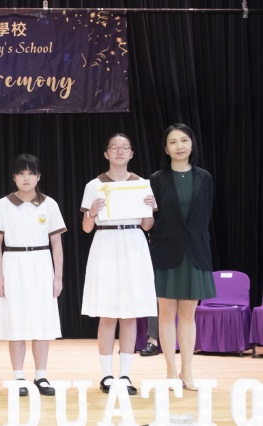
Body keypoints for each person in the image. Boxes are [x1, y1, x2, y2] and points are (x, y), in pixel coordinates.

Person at [80, 133, 157, 395]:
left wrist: (150, 207)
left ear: (132, 153)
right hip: (106, 242)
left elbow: (147, 225)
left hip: (133, 243)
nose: (120, 151)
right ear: (106, 153)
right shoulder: (94, 185)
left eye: (125, 147)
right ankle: (106, 375)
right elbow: (86, 228)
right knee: (107, 313)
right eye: (114, 147)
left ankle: (125, 375)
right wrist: (92, 212)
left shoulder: (142, 184)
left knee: (129, 313)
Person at [0, 153, 65, 397]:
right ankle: (18, 377)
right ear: (14, 177)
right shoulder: (2, 205)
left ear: (38, 176)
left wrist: (58, 276)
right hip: (13, 263)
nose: (26, 178)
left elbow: (56, 243)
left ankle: (41, 376)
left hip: (41, 263)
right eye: (21, 173)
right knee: (16, 322)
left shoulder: (49, 204)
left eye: (31, 173)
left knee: (42, 322)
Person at [149, 123, 216, 391]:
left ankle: (187, 371)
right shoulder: (156, 179)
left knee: (188, 314)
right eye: (173, 142)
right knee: (166, 313)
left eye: (184, 140)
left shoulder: (204, 177)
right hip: (165, 251)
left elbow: (205, 214)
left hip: (196, 251)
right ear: (166, 149)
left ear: (192, 144)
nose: (179, 146)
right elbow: (152, 218)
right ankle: (170, 371)